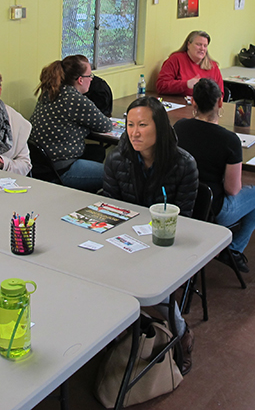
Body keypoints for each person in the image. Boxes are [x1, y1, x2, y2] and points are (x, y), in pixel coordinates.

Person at [102, 96, 197, 374]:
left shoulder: (183, 164)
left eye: (142, 125)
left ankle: (181, 334)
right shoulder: (116, 159)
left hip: (167, 243)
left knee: (154, 285)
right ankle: (118, 334)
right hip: (125, 240)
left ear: (161, 128)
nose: (134, 132)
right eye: (130, 125)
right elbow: (112, 209)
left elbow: (187, 220)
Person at [175, 79, 255, 273]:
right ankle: (233, 250)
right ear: (220, 103)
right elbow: (232, 189)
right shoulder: (229, 140)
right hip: (212, 210)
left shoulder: (180, 127)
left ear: (193, 102)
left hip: (181, 203)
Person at [30, 55, 112, 192]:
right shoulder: (74, 99)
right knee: (114, 175)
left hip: (43, 165)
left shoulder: (50, 91)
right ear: (80, 80)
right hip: (62, 169)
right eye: (89, 75)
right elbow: (106, 125)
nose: (92, 79)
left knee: (97, 151)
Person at [156, 30, 224, 97]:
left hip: (206, 106)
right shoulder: (175, 60)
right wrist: (186, 84)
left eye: (205, 46)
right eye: (199, 44)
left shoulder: (213, 66)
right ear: (188, 45)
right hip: (180, 104)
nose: (202, 49)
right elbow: (161, 86)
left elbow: (220, 93)